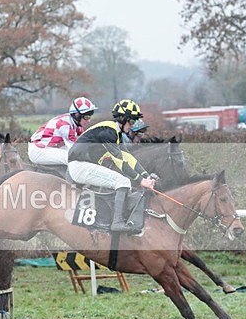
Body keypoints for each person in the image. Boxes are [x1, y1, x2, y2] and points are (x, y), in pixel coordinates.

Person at [68, 99, 156, 233]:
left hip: (84, 165)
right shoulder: (108, 132)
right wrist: (141, 181)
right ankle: (117, 223)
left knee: (122, 181)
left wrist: (146, 176)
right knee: (123, 181)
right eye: (131, 122)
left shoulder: (116, 132)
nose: (132, 126)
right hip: (80, 166)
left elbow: (128, 157)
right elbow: (120, 162)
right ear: (122, 119)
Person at [29, 96, 96, 166]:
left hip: (49, 147)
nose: (88, 121)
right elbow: (75, 149)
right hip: (38, 150)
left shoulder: (77, 124)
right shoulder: (65, 125)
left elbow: (83, 143)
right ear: (77, 115)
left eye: (89, 117)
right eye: (86, 117)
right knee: (72, 158)